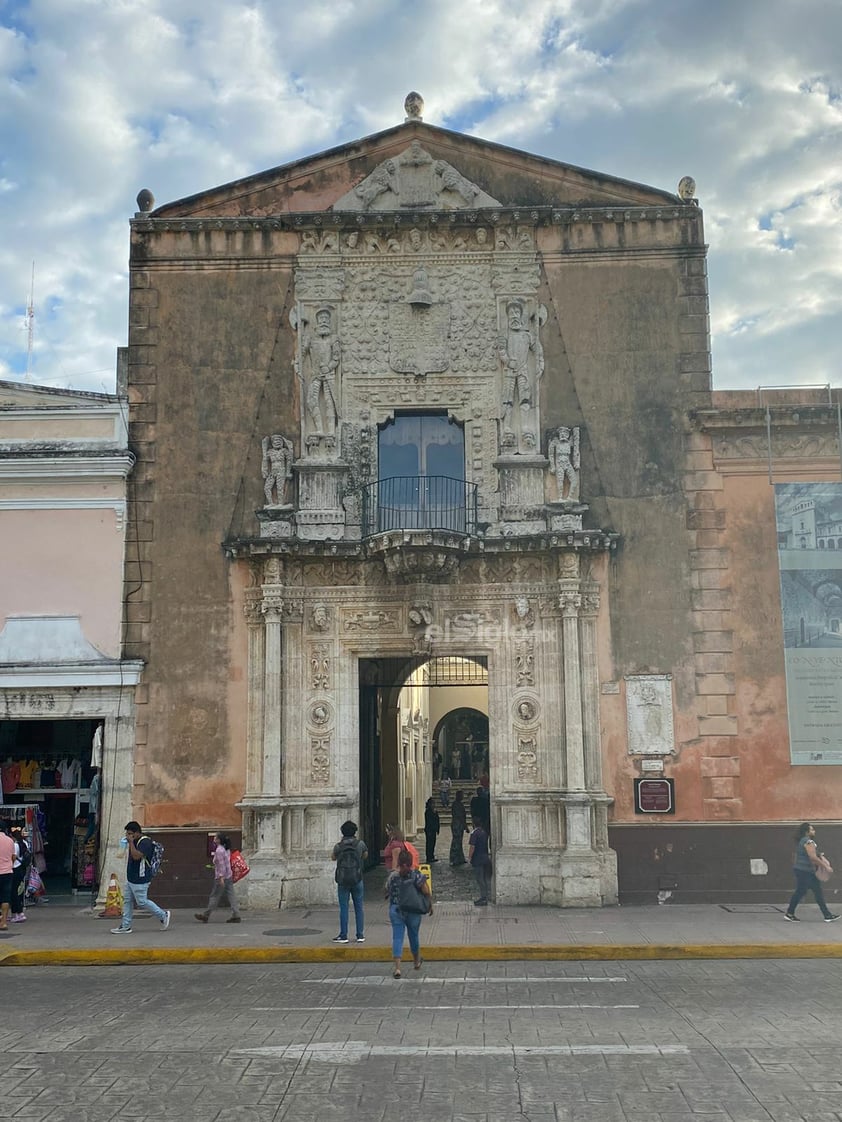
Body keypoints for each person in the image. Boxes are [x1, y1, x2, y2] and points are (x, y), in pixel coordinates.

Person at [111, 821, 171, 934]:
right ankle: (125, 925)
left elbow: (136, 856)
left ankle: (163, 915)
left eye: (130, 833)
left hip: (140, 878)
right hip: (132, 877)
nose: (128, 836)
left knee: (142, 902)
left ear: (137, 833)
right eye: (127, 834)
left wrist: (131, 842)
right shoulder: (135, 840)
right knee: (127, 901)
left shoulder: (145, 842)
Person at [385, 847, 432, 978]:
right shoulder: (417, 875)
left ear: (399, 862)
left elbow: (386, 891)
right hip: (413, 910)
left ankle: (398, 968)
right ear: (411, 863)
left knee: (397, 937)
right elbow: (426, 891)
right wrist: (430, 904)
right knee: (414, 936)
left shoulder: (393, 876)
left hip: (396, 909)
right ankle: (416, 961)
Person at [785, 821, 840, 923]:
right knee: (801, 891)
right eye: (812, 829)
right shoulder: (808, 842)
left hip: (805, 871)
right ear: (807, 832)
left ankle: (827, 915)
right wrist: (826, 866)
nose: (814, 831)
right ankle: (789, 913)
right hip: (804, 871)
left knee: (817, 892)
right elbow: (812, 857)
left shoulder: (803, 841)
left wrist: (820, 855)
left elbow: (813, 854)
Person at [331, 819, 367, 944]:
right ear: (355, 832)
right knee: (359, 907)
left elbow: (333, 857)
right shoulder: (360, 844)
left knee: (344, 907)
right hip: (357, 878)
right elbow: (365, 855)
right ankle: (360, 935)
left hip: (343, 879)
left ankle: (343, 935)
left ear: (342, 832)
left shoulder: (338, 846)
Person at [195, 833, 241, 924]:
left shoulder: (219, 850)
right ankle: (236, 915)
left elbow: (221, 865)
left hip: (222, 877)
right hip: (229, 875)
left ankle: (206, 915)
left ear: (219, 840)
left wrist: (221, 877)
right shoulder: (226, 849)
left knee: (214, 896)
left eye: (216, 837)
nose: (214, 838)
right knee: (231, 896)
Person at [468, 817, 492, 907]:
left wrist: (469, 857)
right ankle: (485, 896)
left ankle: (483, 898)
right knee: (485, 879)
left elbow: (472, 847)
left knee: (480, 879)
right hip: (485, 857)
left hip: (478, 859)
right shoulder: (484, 832)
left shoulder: (474, 833)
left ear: (473, 824)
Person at [10, 825, 30, 923]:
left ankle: (18, 913)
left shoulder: (15, 845)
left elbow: (13, 857)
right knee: (19, 891)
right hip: (22, 868)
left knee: (14, 892)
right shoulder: (25, 843)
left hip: (15, 868)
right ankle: (17, 913)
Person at [0, 820, 14, 931]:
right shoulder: (10, 841)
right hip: (7, 872)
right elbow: (13, 856)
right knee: (5, 897)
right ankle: (4, 922)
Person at [449, 790, 467, 866]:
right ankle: (454, 858)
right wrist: (465, 824)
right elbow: (460, 816)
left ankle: (460, 858)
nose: (462, 796)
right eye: (461, 795)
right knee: (456, 841)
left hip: (459, 825)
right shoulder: (456, 804)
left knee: (459, 842)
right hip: (457, 825)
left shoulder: (459, 804)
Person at [423, 798, 440, 864]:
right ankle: (429, 857)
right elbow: (429, 821)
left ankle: (432, 855)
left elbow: (437, 820)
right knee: (429, 843)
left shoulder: (435, 811)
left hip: (434, 830)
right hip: (429, 830)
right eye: (432, 803)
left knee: (433, 843)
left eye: (434, 803)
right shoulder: (428, 812)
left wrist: (438, 829)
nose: (433, 804)